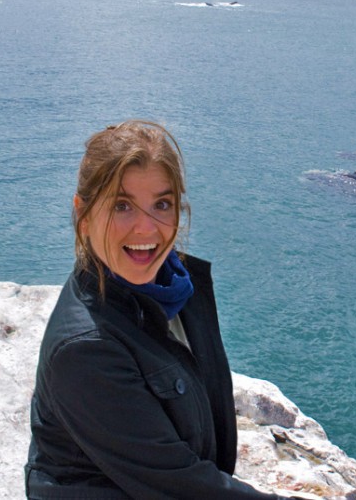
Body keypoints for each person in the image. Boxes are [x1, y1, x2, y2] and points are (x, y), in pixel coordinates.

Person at [25, 120, 294, 499]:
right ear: (83, 216)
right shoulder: (86, 349)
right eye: (122, 206)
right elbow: (179, 484)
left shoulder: (176, 286)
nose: (146, 229)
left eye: (161, 205)